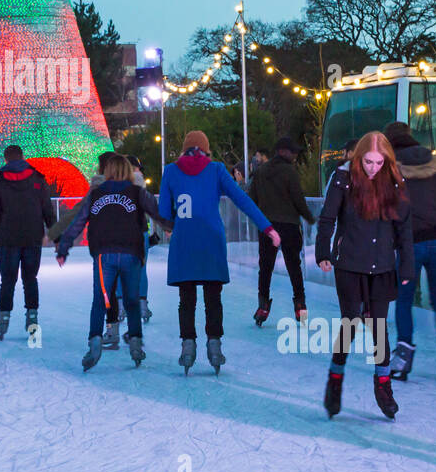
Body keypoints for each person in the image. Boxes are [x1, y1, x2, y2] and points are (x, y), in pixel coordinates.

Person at [158, 130, 278, 375]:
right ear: (206, 148)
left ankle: (187, 346)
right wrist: (267, 227)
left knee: (186, 299)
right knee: (213, 298)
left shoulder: (170, 171)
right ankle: (215, 346)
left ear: (184, 148)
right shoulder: (216, 170)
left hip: (184, 243)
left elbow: (164, 213)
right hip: (212, 241)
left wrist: (170, 226)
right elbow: (242, 200)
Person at [315, 131, 413, 421]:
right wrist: (324, 252)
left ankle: (383, 386)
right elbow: (327, 218)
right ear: (359, 159)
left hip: (382, 265)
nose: (372, 168)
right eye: (368, 162)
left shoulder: (394, 182)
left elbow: (403, 228)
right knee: (351, 322)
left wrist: (406, 265)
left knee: (379, 328)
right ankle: (335, 380)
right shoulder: (343, 179)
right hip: (349, 264)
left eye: (378, 162)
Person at [56, 153, 169, 370]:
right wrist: (172, 227)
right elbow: (157, 214)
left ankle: (95, 342)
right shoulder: (137, 193)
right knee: (132, 301)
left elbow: (79, 222)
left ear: (107, 172)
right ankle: (135, 342)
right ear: (127, 171)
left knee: (100, 300)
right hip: (131, 253)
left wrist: (64, 247)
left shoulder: (96, 194)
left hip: (104, 254)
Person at [383, 121, 436, 379]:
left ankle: (404, 354)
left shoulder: (389, 167)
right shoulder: (435, 162)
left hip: (410, 242)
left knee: (404, 298)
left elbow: (385, 207)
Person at [0, 145, 55, 340]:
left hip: (8, 239)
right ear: (23, 157)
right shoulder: (38, 179)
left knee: (8, 280)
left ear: (6, 159)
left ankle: (3, 321)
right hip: (33, 237)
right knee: (30, 279)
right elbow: (47, 208)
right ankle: (32, 320)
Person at [250, 136, 316, 326]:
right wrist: (310, 218)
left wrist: (261, 218)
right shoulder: (289, 172)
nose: (295, 155)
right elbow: (298, 200)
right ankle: (300, 306)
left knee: (266, 267)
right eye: (293, 152)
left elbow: (251, 199)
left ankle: (263, 307)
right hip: (289, 226)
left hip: (267, 227)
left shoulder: (261, 172)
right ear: (283, 152)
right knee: (294, 266)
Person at [127, 154, 158, 323]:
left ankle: (122, 305)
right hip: (141, 230)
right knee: (141, 268)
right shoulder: (141, 184)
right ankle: (142, 305)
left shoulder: (117, 183)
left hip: (124, 232)